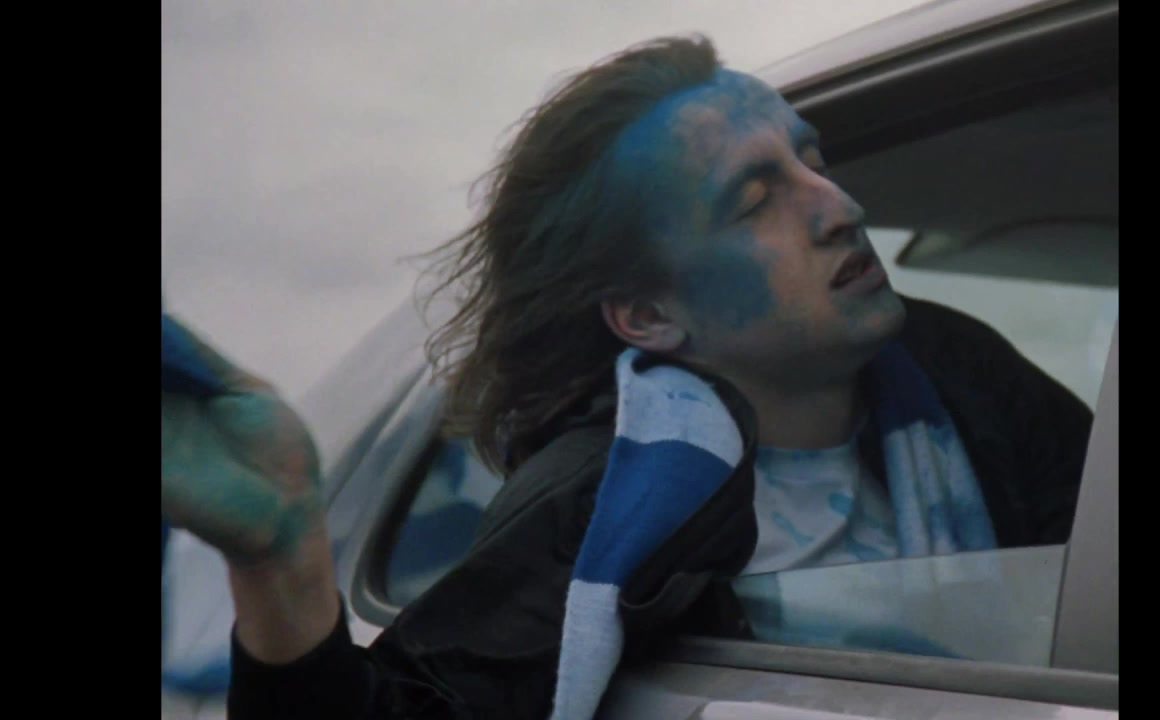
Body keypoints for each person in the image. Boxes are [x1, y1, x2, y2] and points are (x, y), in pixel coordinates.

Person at [160, 34, 1093, 720]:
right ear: (648, 315)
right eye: (756, 200)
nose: (840, 206)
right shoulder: (609, 504)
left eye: (814, 161)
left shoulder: (964, 375)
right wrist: (281, 558)